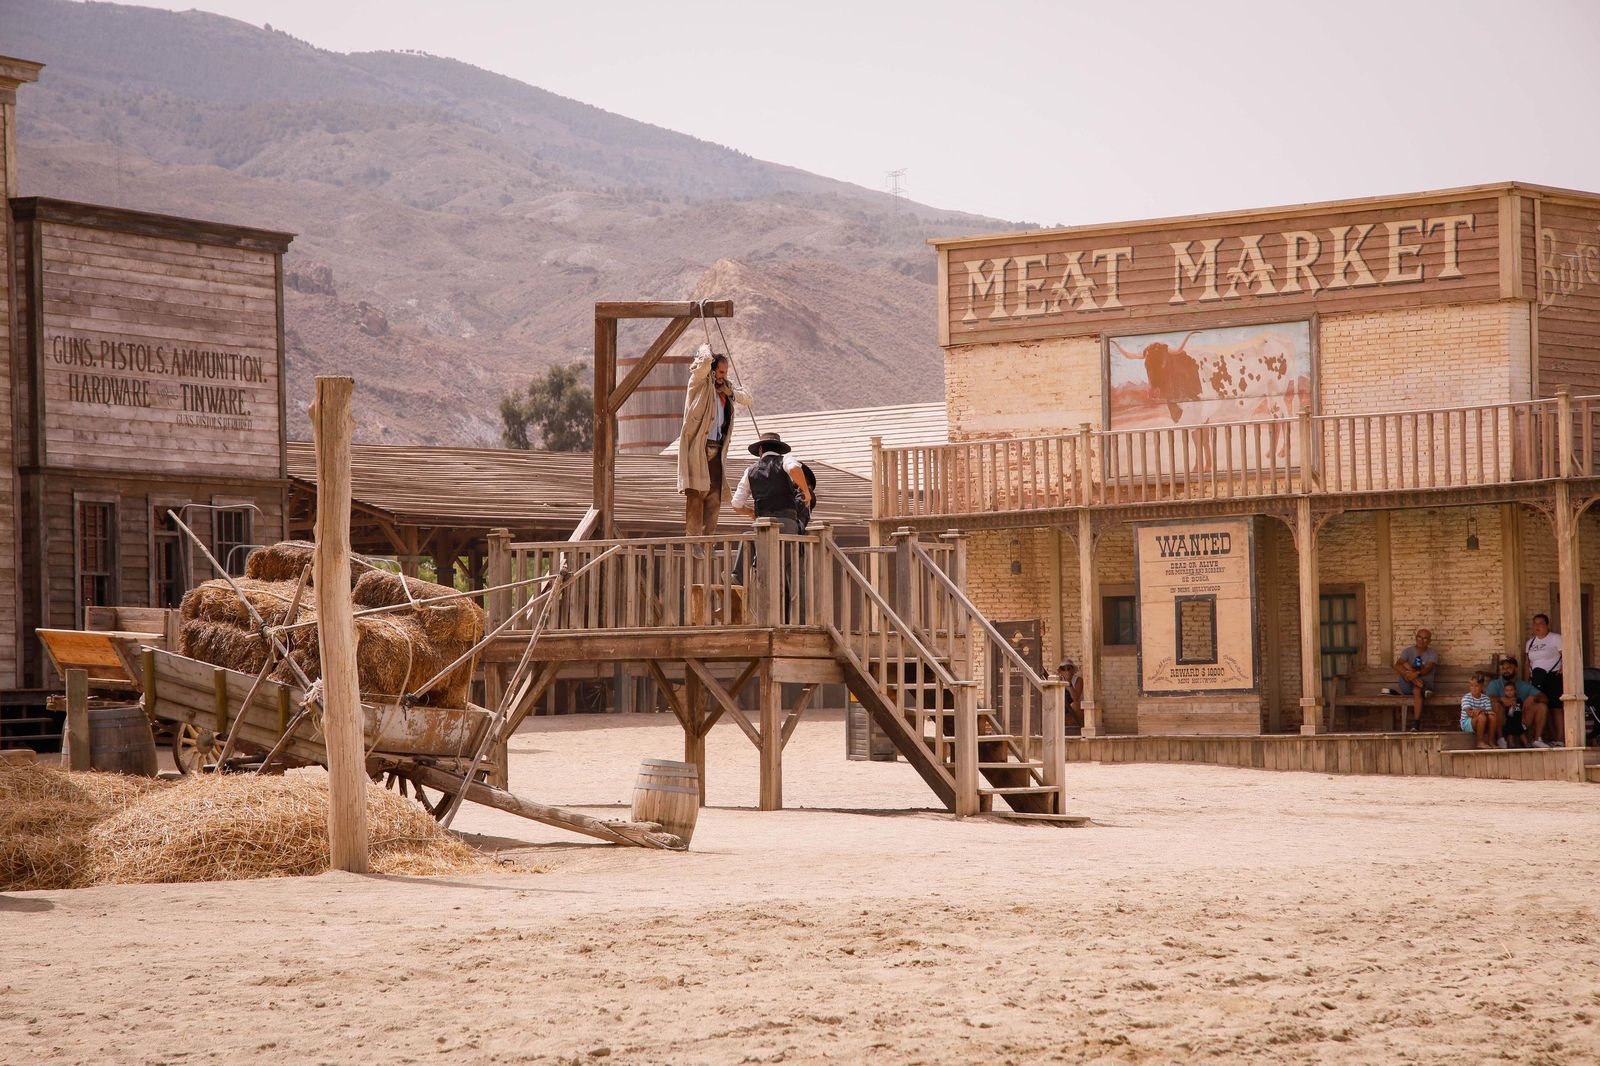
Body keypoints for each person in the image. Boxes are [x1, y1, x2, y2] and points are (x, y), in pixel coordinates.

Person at [676, 345, 751, 536]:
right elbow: (702, 365)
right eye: (721, 371)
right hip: (699, 447)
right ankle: (693, 540)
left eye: (725, 372)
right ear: (712, 369)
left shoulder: (726, 387)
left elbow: (747, 398)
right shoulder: (699, 382)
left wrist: (729, 392)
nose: (723, 376)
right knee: (696, 493)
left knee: (714, 496)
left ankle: (708, 538)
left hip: (717, 449)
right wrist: (705, 350)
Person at [731, 433, 813, 603]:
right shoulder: (785, 460)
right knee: (790, 568)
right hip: (786, 524)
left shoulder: (750, 470)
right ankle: (796, 611)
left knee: (762, 563)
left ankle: (738, 578)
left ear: (761, 450)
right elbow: (794, 469)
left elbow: (736, 504)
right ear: (780, 450)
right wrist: (805, 491)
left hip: (762, 527)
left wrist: (750, 513)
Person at [1486, 655, 1550, 748]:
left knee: (1542, 706)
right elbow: (1488, 698)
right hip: (1503, 719)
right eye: (1503, 668)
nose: (1505, 670)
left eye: (1508, 668)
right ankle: (1500, 739)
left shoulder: (1524, 685)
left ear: (1515, 668)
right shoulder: (1495, 684)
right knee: (1495, 704)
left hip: (1521, 718)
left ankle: (1537, 739)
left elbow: (1545, 698)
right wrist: (1501, 699)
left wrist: (1533, 698)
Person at [1524, 612, 1566, 746]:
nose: (1537, 626)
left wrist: (1564, 667)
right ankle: (1548, 737)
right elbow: (1527, 663)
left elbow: (1565, 655)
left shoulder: (1555, 638)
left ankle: (1560, 739)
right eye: (1535, 624)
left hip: (1552, 677)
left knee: (1556, 708)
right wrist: (1526, 683)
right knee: (1543, 707)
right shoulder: (1530, 643)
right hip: (1536, 679)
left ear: (1547, 625)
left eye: (1541, 623)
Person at [1387, 629, 1439, 731]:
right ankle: (1420, 685)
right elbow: (1397, 665)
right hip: (1408, 684)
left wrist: (1416, 673)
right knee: (1403, 666)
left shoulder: (1432, 653)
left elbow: (1428, 669)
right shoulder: (1408, 651)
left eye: (1425, 638)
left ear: (1429, 641)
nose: (1421, 640)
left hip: (1425, 683)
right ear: (1416, 638)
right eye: (1419, 637)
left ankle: (1416, 724)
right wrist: (1410, 674)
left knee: (1417, 689)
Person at [1460, 672, 1500, 749]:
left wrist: (1480, 710)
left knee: (1492, 717)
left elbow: (1489, 712)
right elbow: (1469, 713)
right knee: (1482, 717)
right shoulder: (1466, 698)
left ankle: (1491, 741)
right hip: (1467, 723)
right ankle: (1479, 742)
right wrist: (1481, 712)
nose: (1474, 688)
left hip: (1482, 722)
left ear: (1482, 686)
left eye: (1476, 686)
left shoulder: (1486, 698)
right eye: (1471, 686)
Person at [1058, 660, 1085, 731]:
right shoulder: (1058, 680)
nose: (1066, 671)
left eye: (1068, 668)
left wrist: (1069, 683)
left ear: (1072, 670)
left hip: (1074, 708)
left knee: (1074, 705)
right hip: (1063, 707)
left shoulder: (1078, 680)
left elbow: (1075, 698)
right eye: (1063, 669)